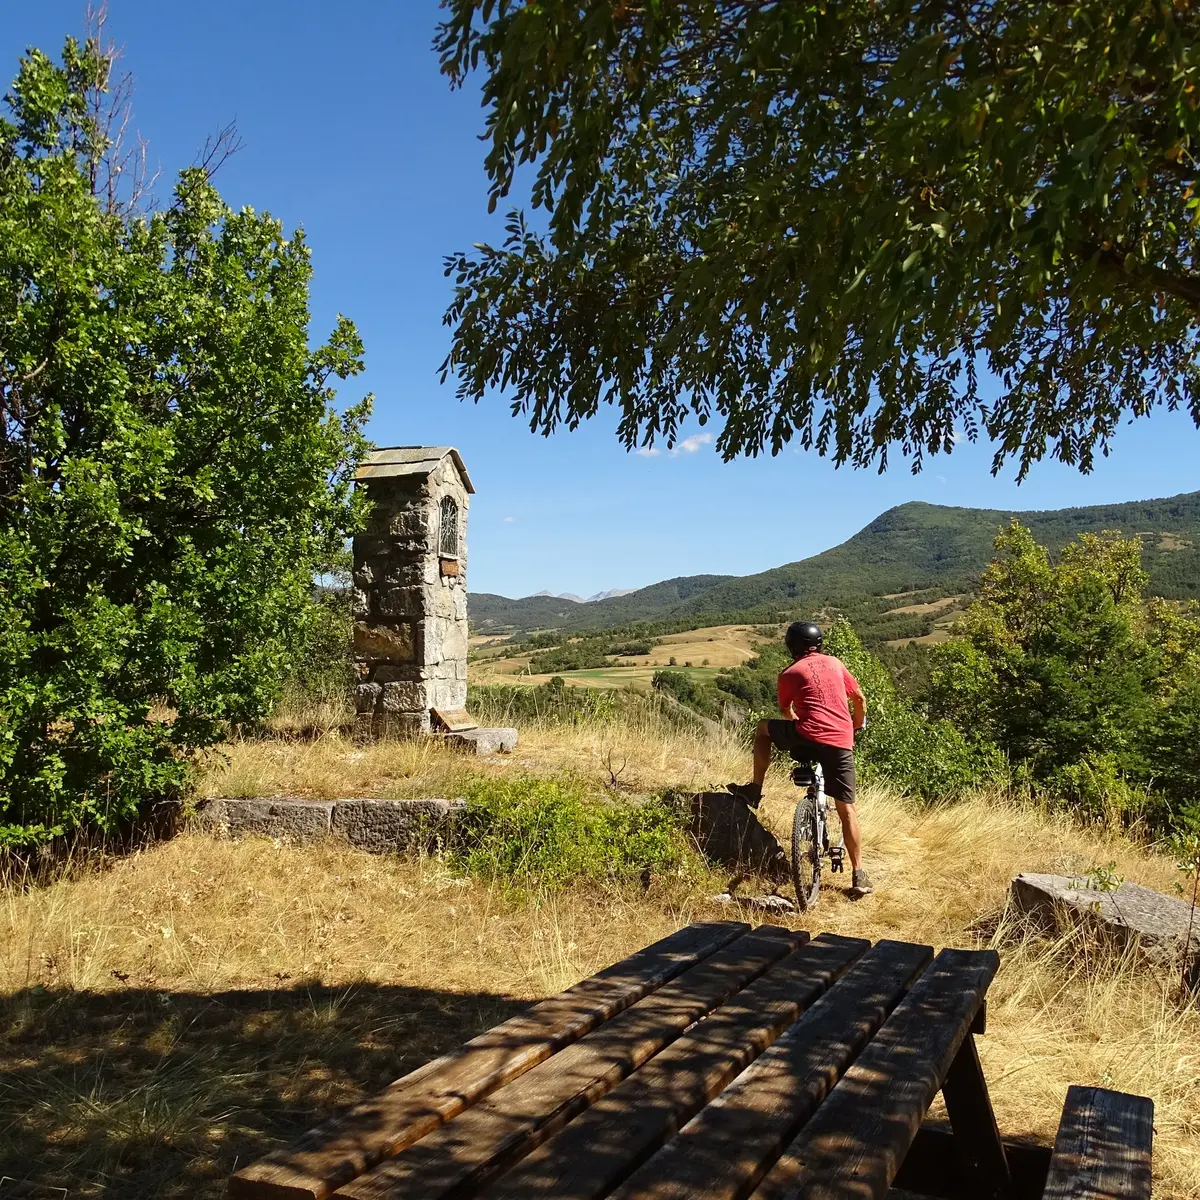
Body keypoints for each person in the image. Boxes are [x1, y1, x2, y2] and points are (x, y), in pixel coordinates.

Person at [729, 621, 874, 897]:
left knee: (762, 728)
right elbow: (860, 699)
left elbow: (785, 709)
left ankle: (755, 790)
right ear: (820, 644)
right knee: (847, 811)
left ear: (791, 646)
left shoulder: (790, 672)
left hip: (806, 736)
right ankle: (859, 875)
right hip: (841, 743)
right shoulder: (835, 663)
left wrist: (796, 725)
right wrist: (854, 725)